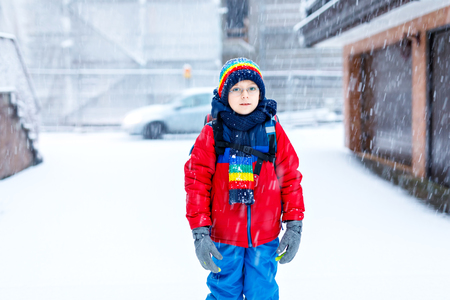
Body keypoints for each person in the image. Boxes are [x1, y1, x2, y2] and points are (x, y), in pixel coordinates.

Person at [184, 57, 305, 300]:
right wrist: (200, 233)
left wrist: (294, 226)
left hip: (264, 237)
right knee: (223, 293)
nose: (245, 95)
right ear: (224, 94)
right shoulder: (213, 131)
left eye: (252, 88)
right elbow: (196, 182)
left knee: (262, 292)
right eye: (236, 89)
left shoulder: (272, 130)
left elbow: (290, 178)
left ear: (260, 93)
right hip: (223, 238)